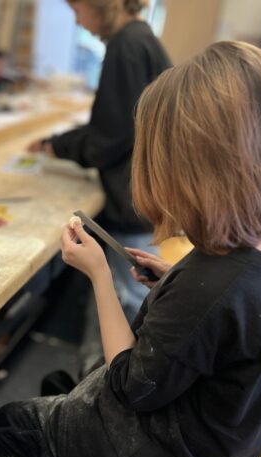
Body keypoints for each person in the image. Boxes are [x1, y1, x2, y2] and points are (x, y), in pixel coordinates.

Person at [0, 41, 261, 457]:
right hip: (229, 446)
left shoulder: (209, 285)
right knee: (64, 387)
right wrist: (175, 281)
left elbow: (128, 386)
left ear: (199, 169)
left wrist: (100, 275)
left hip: (174, 453)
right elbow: (229, 325)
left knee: (12, 423)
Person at [28, 0, 172, 322]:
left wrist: (56, 146)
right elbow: (114, 123)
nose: (78, 22)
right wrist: (59, 142)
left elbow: (108, 137)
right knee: (136, 289)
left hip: (131, 198)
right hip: (144, 189)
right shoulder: (141, 38)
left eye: (77, 10)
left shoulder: (126, 45)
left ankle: (130, 355)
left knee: (132, 296)